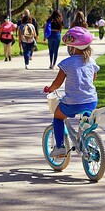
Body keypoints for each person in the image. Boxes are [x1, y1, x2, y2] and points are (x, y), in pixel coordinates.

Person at [43, 27, 99, 159]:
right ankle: (86, 136)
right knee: (85, 116)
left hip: (73, 102)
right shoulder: (91, 61)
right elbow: (93, 78)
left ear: (72, 47)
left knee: (58, 116)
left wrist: (50, 89)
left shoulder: (67, 63)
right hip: (91, 101)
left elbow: (57, 83)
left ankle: (60, 147)